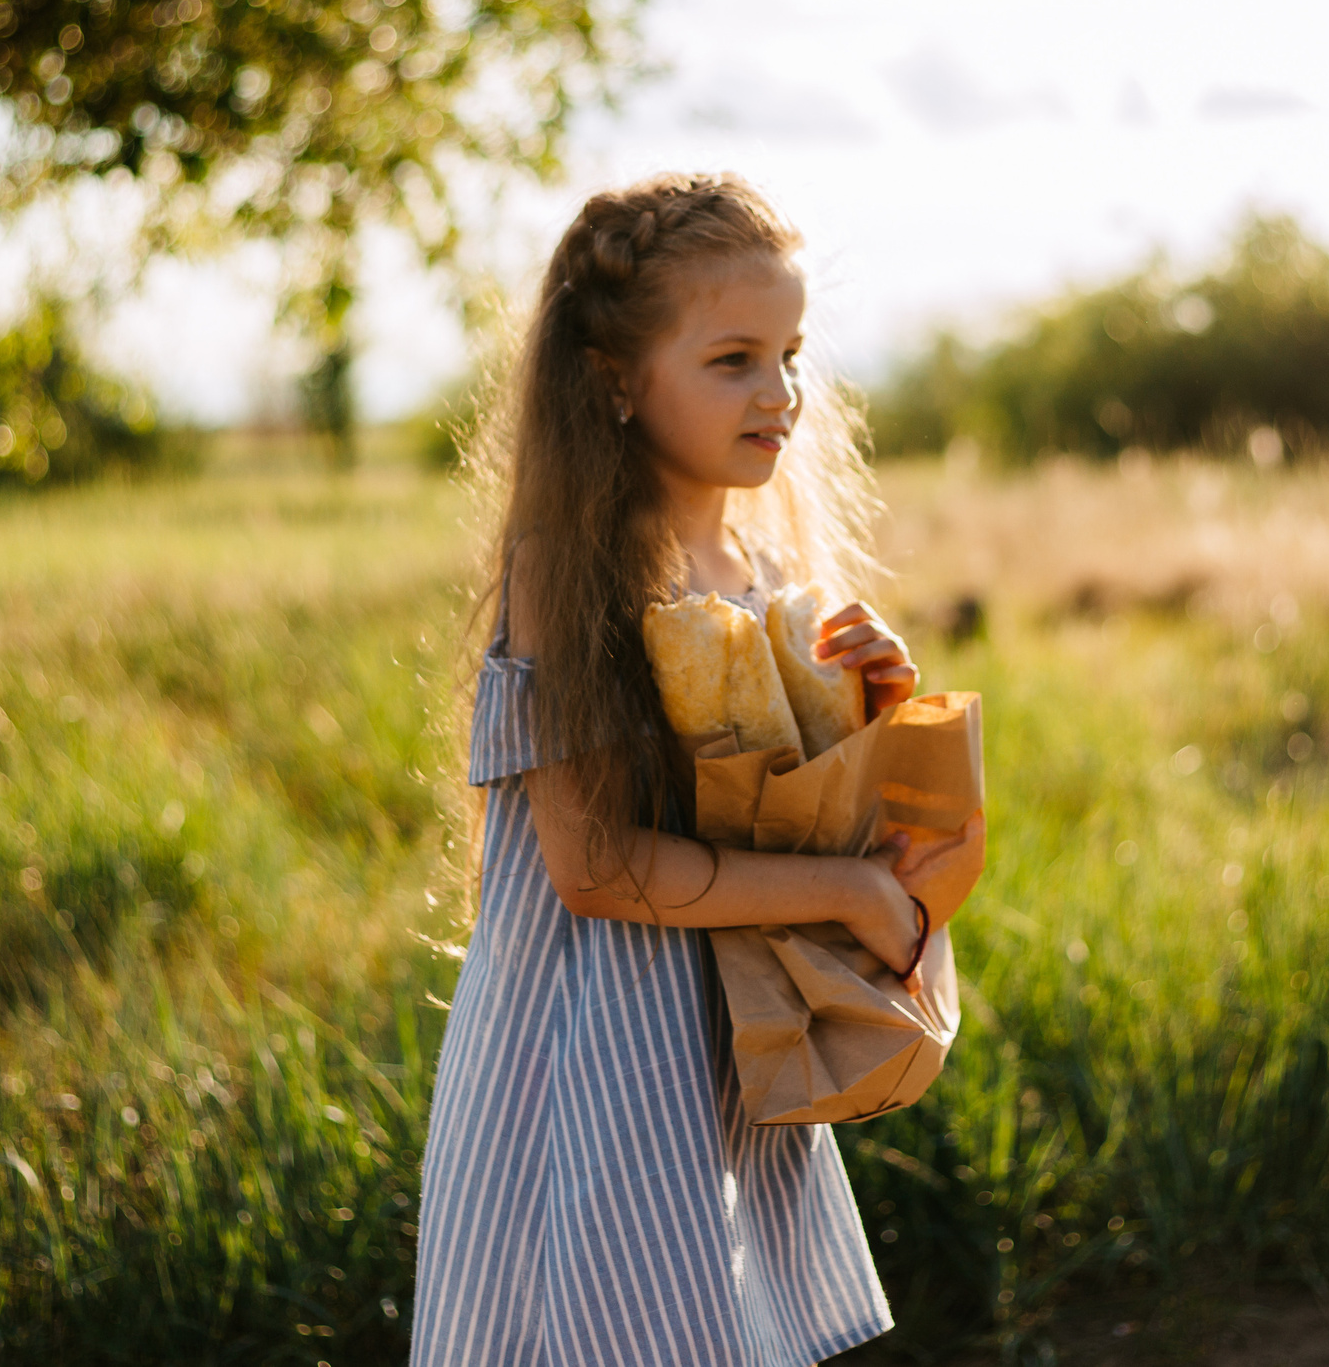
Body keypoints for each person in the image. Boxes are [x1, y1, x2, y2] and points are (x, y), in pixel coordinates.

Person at [409, 174, 984, 1365]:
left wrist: (871, 714)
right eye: (733, 359)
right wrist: (847, 895)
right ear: (618, 380)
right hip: (595, 1067)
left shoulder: (763, 559)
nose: (779, 395)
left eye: (791, 356)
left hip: (730, 1046)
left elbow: (781, 817)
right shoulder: (572, 571)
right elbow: (598, 867)